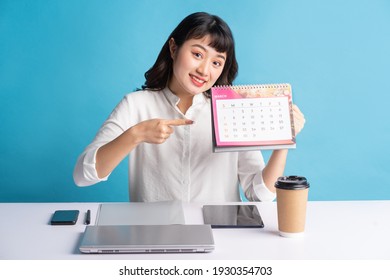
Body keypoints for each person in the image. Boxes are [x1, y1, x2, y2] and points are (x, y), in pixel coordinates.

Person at [73, 12, 305, 202]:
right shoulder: (136, 105)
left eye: (216, 62)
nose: (204, 70)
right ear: (174, 49)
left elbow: (260, 194)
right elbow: (83, 176)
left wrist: (282, 141)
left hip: (219, 236)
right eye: (197, 54)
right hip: (154, 236)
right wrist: (136, 134)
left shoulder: (231, 111)